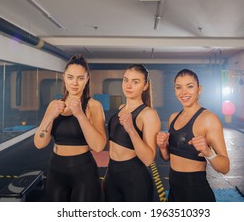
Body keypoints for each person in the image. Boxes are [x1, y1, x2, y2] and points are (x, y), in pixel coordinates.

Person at [34, 54, 106, 202]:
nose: (74, 83)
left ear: (86, 80)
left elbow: (98, 146)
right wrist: (50, 116)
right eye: (70, 77)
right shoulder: (54, 105)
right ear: (64, 77)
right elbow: (39, 143)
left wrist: (80, 114)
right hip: (56, 169)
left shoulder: (93, 106)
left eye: (80, 78)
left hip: (83, 171)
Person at [156, 69, 230, 202]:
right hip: (174, 192)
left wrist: (208, 153)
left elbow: (225, 167)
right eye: (179, 87)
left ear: (199, 89)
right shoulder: (173, 117)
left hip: (196, 194)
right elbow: (167, 157)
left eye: (189, 86)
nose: (184, 92)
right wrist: (162, 147)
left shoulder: (209, 119)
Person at [104, 64, 161, 201]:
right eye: (126, 80)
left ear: (145, 86)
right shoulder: (121, 108)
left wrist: (131, 130)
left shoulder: (148, 114)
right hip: (112, 176)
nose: (128, 85)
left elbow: (148, 159)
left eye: (135, 82)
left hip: (135, 180)